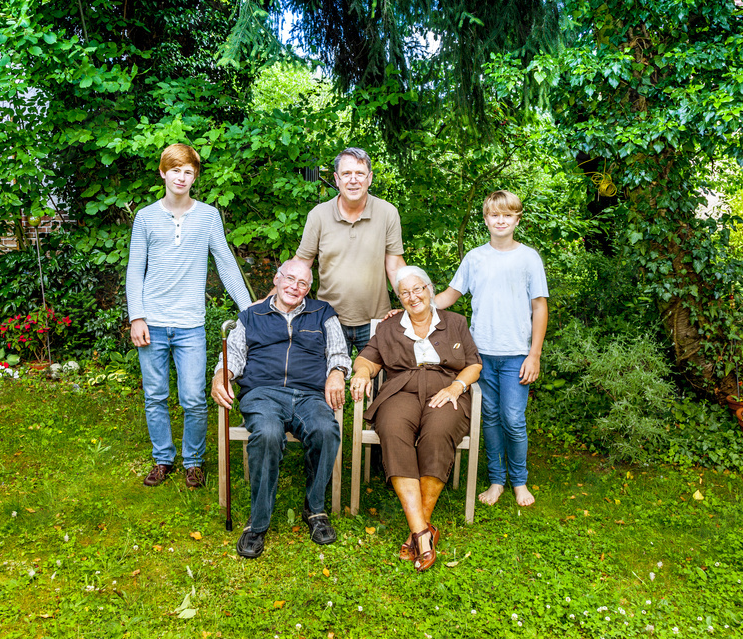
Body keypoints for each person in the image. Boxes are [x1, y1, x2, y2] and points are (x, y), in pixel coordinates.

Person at [126, 143, 252, 489]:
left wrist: (249, 311)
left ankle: (193, 462)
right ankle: (163, 458)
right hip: (152, 321)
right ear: (163, 172)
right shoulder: (146, 217)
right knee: (155, 395)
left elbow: (225, 263)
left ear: (194, 177)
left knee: (195, 398)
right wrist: (136, 316)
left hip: (190, 324)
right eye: (175, 170)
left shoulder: (208, 216)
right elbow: (135, 270)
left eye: (188, 172)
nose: (181, 177)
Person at [211, 259, 349, 559]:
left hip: (309, 394)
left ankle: (314, 509)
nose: (294, 287)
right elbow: (233, 356)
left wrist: (337, 372)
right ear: (276, 278)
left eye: (302, 284)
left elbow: (338, 351)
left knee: (326, 430)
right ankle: (258, 521)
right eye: (289, 279)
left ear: (308, 289)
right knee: (268, 433)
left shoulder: (322, 313)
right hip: (262, 393)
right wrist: (221, 374)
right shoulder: (251, 315)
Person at [349, 266, 482, 572]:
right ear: (399, 297)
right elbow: (366, 359)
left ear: (429, 289)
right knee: (393, 430)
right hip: (401, 390)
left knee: (438, 433)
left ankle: (416, 532)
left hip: (445, 390)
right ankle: (423, 531)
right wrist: (361, 373)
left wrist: (455, 387)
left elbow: (474, 365)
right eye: (405, 292)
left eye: (418, 289)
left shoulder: (455, 322)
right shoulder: (389, 327)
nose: (413, 296)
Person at [434, 190, 549, 507]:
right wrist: (414, 305)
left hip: (515, 356)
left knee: (513, 418)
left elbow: (539, 307)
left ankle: (520, 481)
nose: (501, 220)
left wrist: (534, 354)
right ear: (485, 219)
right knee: (491, 417)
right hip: (479, 356)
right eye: (494, 215)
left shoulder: (528, 258)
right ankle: (497, 480)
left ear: (516, 219)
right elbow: (450, 295)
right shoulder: (475, 258)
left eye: (507, 215)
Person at [293, 147, 406, 354]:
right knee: (327, 382)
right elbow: (301, 263)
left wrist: (416, 304)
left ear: (369, 178)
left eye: (360, 174)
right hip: (328, 319)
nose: (353, 180)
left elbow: (395, 266)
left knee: (377, 384)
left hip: (377, 319)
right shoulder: (318, 215)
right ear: (336, 179)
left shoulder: (388, 212)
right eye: (346, 174)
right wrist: (271, 300)